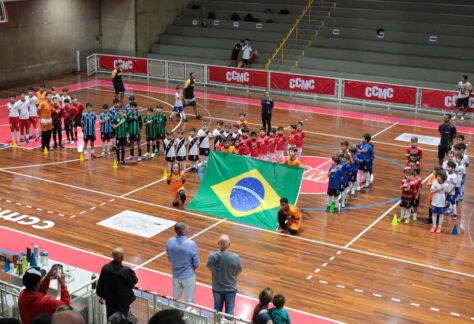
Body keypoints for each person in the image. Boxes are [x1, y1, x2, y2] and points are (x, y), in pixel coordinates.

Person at [96, 248, 138, 319]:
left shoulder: (106, 268)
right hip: (122, 303)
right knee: (123, 320)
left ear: (112, 256)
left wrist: (102, 296)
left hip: (110, 302)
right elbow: (135, 280)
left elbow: (100, 284)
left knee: (111, 319)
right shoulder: (126, 271)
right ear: (122, 258)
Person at [206, 235, 243, 316]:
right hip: (231, 288)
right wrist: (233, 275)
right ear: (229, 244)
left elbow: (209, 266)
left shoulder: (212, 256)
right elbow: (240, 270)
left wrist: (215, 272)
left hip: (217, 288)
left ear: (218, 243)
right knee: (229, 309)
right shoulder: (235, 257)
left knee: (217, 309)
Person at [165, 222, 200, 306]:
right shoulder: (191, 244)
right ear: (184, 231)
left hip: (176, 275)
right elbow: (196, 263)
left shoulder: (169, 242)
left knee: (176, 300)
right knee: (189, 301)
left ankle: (176, 317)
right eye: (187, 227)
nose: (188, 228)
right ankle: (189, 318)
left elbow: (169, 258)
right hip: (188, 276)